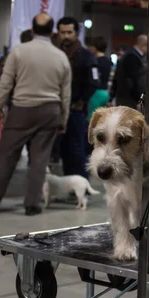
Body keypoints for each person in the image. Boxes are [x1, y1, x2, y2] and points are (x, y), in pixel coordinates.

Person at [0, 13, 71, 216]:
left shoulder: (19, 51)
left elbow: (6, 82)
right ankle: (33, 204)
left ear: (33, 30)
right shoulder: (61, 56)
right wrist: (63, 119)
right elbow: (65, 93)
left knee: (6, 157)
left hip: (22, 110)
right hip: (50, 110)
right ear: (53, 32)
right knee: (40, 160)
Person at [57, 16, 100, 178]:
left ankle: (81, 183)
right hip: (58, 108)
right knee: (63, 149)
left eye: (69, 32)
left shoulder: (87, 56)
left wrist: (81, 101)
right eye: (62, 32)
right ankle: (69, 185)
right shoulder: (57, 53)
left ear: (76, 33)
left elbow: (94, 82)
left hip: (76, 109)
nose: (66, 36)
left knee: (76, 147)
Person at [114, 35, 147, 108]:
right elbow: (132, 80)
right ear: (143, 45)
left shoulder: (131, 54)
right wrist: (139, 98)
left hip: (127, 98)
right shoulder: (132, 57)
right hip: (129, 99)